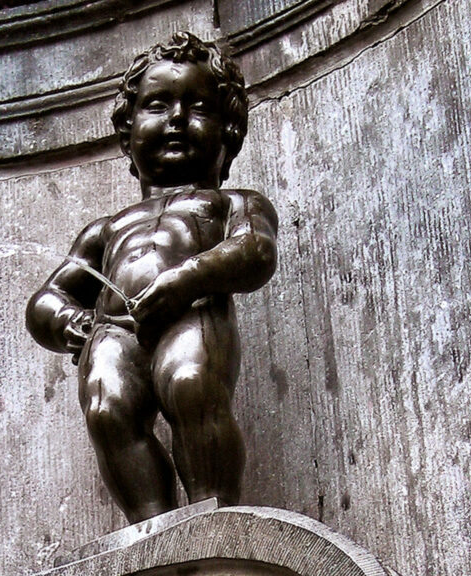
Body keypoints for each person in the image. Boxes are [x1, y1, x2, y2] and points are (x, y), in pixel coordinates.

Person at [26, 32, 278, 524]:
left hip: (192, 312)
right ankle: (153, 532)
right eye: (157, 105)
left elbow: (256, 251)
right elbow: (48, 297)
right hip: (114, 331)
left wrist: (185, 280)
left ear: (229, 134)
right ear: (128, 131)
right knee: (105, 406)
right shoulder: (107, 229)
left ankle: (214, 520)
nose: (177, 120)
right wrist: (67, 320)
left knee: (191, 385)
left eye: (199, 108)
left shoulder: (232, 204)